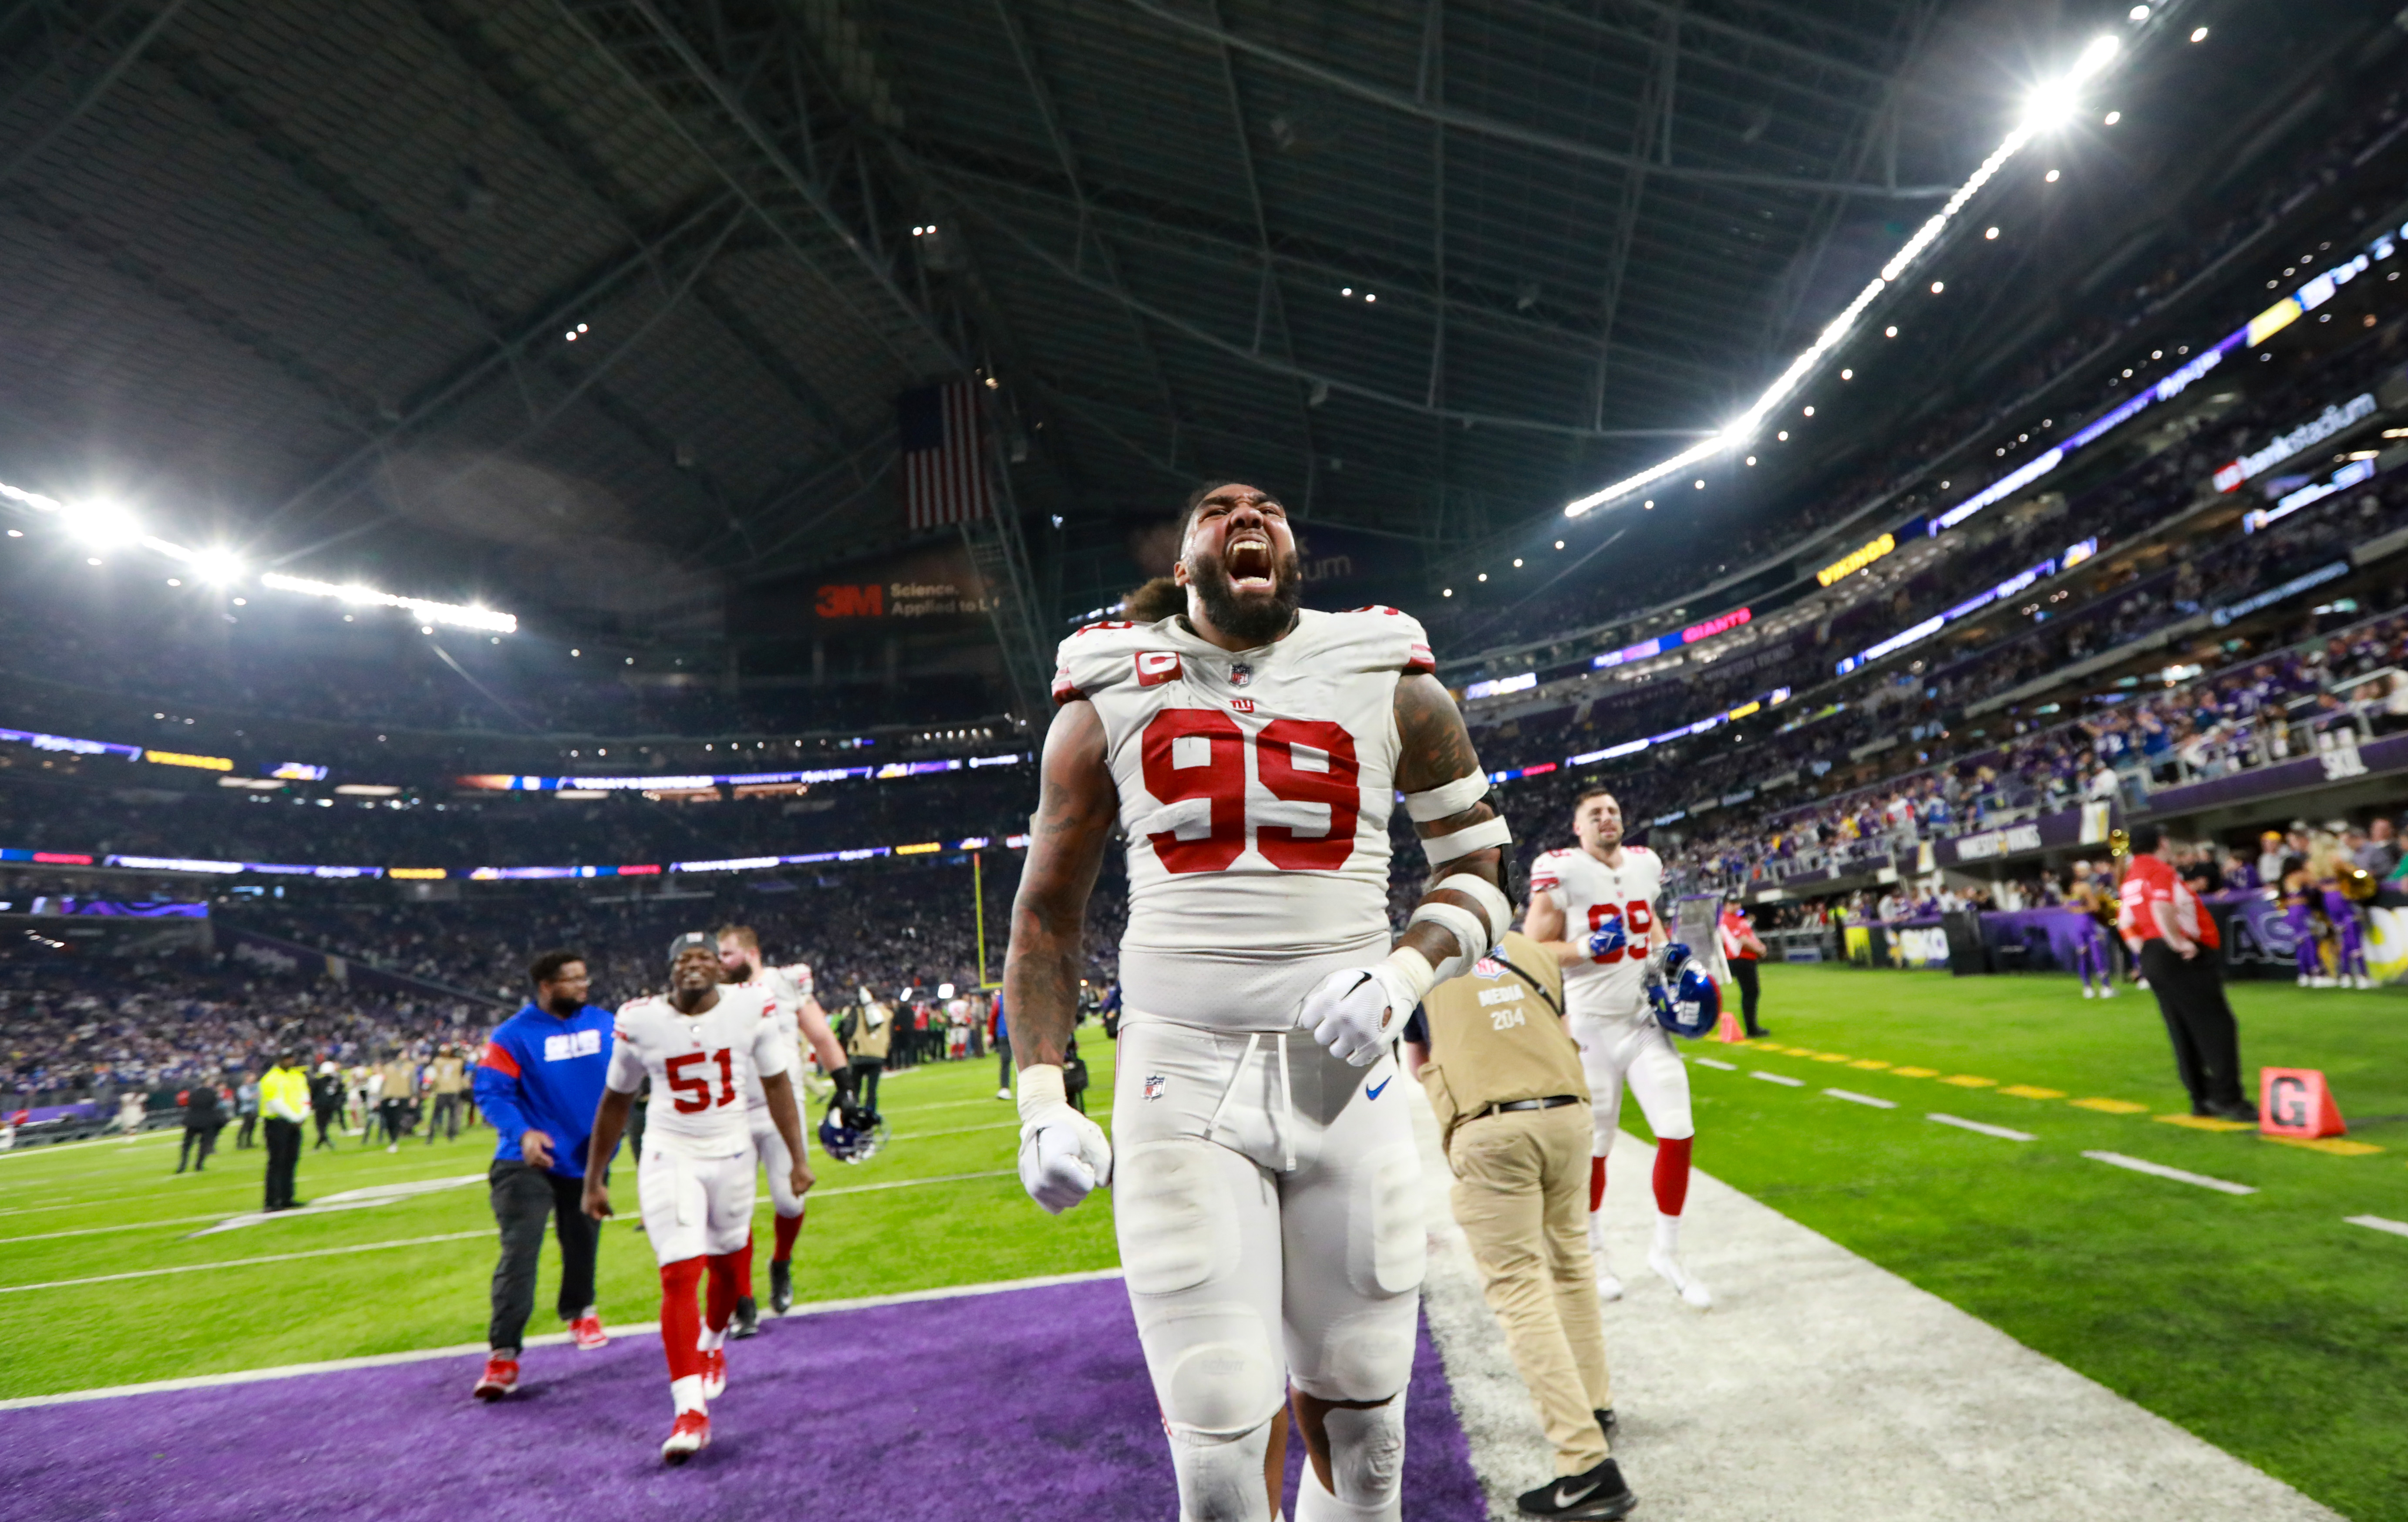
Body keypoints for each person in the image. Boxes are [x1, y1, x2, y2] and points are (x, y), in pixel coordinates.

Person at [1005, 480, 1512, 1522]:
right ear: (1183, 560)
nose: (1249, 515)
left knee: (1369, 1434)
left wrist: (1404, 972)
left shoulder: (1386, 669)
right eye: (1218, 508)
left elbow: (1478, 867)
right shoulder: (1110, 681)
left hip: (1345, 1075)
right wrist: (1041, 1099)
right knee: (1218, 1446)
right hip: (1179, 1072)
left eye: (1268, 507)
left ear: (1292, 551)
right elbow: (1047, 915)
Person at [1403, 909, 1636, 1520]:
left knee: (1519, 1287)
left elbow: (1415, 1060)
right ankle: (1596, 1405)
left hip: (1493, 1127)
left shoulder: (1417, 959)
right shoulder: (1534, 951)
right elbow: (1557, 1027)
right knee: (1571, 1266)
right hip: (1565, 1115)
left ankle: (1584, 1463)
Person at [583, 934, 813, 1465]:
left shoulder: (751, 1005)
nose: (694, 965)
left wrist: (798, 1159)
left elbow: (778, 1084)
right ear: (669, 970)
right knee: (678, 1272)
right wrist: (595, 1178)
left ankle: (712, 1342)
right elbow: (615, 1102)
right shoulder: (639, 1019)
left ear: (719, 968)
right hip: (670, 1151)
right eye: (683, 958)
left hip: (732, 1151)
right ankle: (689, 1410)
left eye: (704, 956)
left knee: (730, 1273)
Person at [1525, 790, 1711, 1309]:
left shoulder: (1645, 863)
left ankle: (1666, 1251)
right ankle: (1594, 1250)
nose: (1606, 819)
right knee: (1596, 1145)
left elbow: (1647, 922)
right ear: (1576, 827)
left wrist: (1668, 961)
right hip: (1589, 1027)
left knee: (1677, 1130)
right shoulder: (1559, 870)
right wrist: (1584, 948)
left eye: (1611, 811)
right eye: (1594, 814)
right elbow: (1531, 945)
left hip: (1643, 1019)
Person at [471, 950, 617, 1404]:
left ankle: (580, 1310)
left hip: (585, 1158)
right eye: (572, 980)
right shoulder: (513, 1035)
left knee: (582, 1241)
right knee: (520, 1252)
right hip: (525, 1160)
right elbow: (490, 1092)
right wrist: (523, 1132)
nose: (583, 987)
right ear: (547, 986)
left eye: (584, 978)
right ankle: (503, 1354)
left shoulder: (607, 1025)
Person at [716, 925, 857, 1330]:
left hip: (782, 1109)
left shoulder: (785, 982)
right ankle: (743, 1300)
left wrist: (844, 1084)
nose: (720, 962)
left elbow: (821, 1034)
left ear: (751, 952)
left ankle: (781, 1261)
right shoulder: (714, 994)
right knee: (733, 1211)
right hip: (732, 1111)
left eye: (727, 954)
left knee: (790, 1202)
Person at [2118, 825, 2254, 1121]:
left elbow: (2125, 922)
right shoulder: (2158, 870)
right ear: (2161, 842)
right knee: (2215, 1026)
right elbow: (2161, 906)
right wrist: (2176, 942)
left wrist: (2144, 951)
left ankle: (2200, 1097)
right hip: (2178, 953)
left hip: (2154, 954)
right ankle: (2228, 1099)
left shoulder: (2130, 877)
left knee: (2181, 1028)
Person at [259, 1049, 312, 1212]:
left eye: (291, 1058)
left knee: (291, 1160)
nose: (289, 1061)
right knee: (277, 1162)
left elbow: (305, 1097)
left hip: (294, 1122)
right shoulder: (271, 1079)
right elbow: (276, 1103)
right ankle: (272, 1200)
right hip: (277, 1122)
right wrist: (296, 1118)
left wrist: (302, 1115)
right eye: (286, 1059)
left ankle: (287, 1197)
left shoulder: (298, 1076)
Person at [2064, 862, 2118, 999]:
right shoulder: (2084, 887)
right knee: (2097, 954)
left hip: (2077, 925)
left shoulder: (2066, 891)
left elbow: (2068, 908)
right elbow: (2095, 907)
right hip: (2089, 923)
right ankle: (2106, 987)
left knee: (2083, 955)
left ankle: (2087, 988)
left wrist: (2078, 910)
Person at [1717, 899, 1768, 1036]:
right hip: (1740, 958)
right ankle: (1752, 1029)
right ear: (1726, 905)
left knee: (1752, 992)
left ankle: (1753, 1027)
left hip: (1746, 958)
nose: (1737, 906)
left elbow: (1749, 936)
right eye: (1733, 903)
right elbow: (1743, 940)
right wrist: (1759, 949)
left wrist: (1760, 946)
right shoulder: (1728, 920)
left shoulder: (1737, 919)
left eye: (1738, 903)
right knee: (1750, 992)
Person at [842, 986, 892, 1117]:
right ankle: (870, 1117)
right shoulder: (886, 1013)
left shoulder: (855, 1012)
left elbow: (847, 1032)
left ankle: (854, 1117)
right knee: (872, 1091)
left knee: (855, 1091)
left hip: (859, 1055)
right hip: (878, 1055)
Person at [175, 1080, 222, 1173]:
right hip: (208, 1121)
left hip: (192, 1120)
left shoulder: (193, 1094)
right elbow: (214, 1105)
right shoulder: (212, 1093)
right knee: (204, 1145)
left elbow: (189, 1104)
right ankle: (199, 1165)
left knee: (187, 1145)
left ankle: (182, 1165)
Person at [426, 1044, 469, 1142]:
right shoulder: (458, 1062)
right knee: (452, 1115)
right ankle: (451, 1135)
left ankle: (431, 1136)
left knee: (436, 1115)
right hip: (453, 1090)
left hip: (442, 1090)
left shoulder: (438, 1062)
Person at [375, 1050, 416, 1151]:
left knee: (397, 1119)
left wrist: (414, 1096)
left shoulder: (410, 1067)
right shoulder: (388, 1068)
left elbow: (413, 1082)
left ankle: (394, 1141)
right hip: (388, 1096)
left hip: (402, 1096)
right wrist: (379, 1097)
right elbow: (383, 1083)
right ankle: (392, 1140)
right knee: (389, 1120)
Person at [309, 1062, 345, 1149]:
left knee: (320, 1126)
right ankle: (323, 1143)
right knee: (324, 1126)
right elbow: (340, 1094)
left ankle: (323, 1142)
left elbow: (313, 1094)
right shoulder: (336, 1081)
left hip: (320, 1106)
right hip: (331, 1107)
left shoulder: (317, 1082)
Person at [234, 1072, 259, 1149]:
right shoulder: (243, 1088)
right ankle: (240, 1143)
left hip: (255, 1109)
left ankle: (249, 1142)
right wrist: (256, 1096)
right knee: (246, 1127)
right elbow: (245, 1097)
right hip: (247, 1110)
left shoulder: (257, 1086)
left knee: (252, 1127)